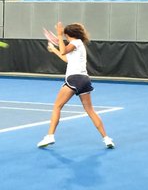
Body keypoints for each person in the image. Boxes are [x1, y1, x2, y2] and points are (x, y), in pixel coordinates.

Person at [37, 21, 114, 149]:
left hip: (74, 79)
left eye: (66, 36)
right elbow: (66, 58)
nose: (65, 38)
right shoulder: (78, 45)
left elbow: (63, 51)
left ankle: (50, 135)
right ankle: (106, 138)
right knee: (90, 110)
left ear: (69, 34)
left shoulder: (75, 42)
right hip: (85, 80)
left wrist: (59, 35)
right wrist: (54, 49)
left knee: (57, 106)